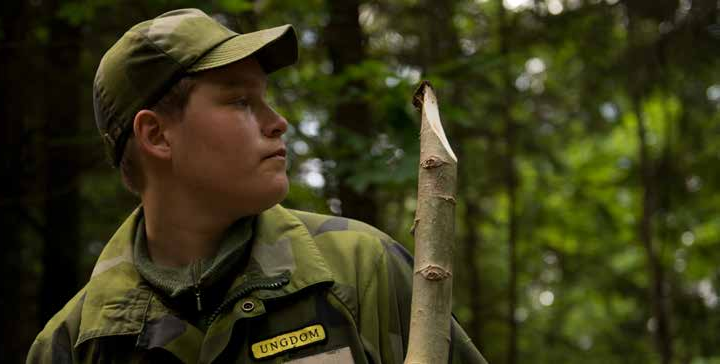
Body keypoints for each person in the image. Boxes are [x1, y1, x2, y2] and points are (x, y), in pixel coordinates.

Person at [27, 8, 487, 364]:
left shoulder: (361, 272)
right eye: (241, 101)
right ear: (156, 135)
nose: (277, 123)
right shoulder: (76, 344)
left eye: (264, 98)